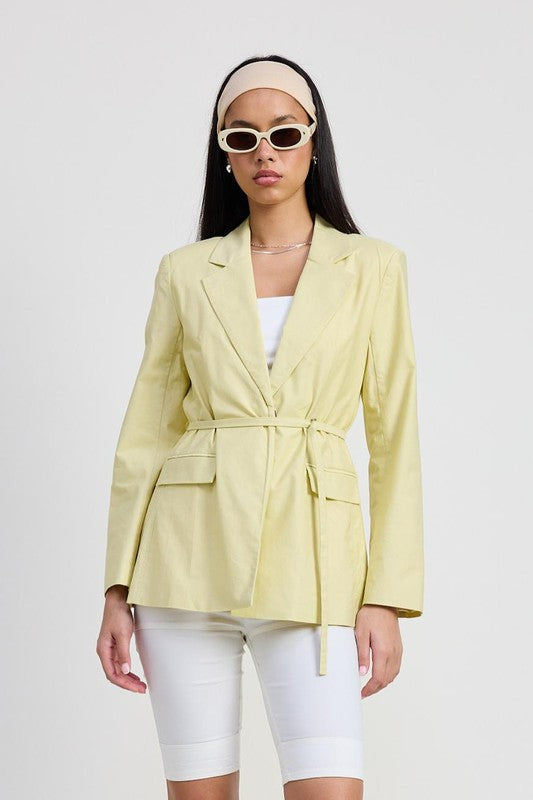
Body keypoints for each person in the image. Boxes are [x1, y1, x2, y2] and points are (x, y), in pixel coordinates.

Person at [96, 55, 424, 800]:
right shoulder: (186, 272)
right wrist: (117, 586)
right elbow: (145, 434)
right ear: (224, 153)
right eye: (241, 137)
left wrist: (386, 595)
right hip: (184, 564)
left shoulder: (372, 267)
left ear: (314, 141)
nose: (264, 152)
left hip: (315, 563)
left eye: (283, 133)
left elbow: (395, 439)